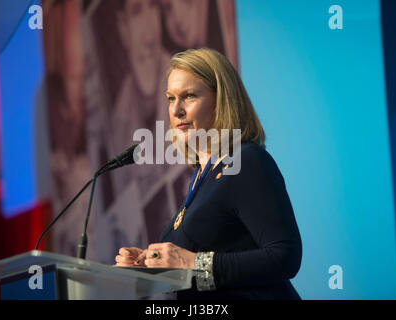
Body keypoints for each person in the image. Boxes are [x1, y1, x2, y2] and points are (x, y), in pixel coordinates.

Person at [115, 48, 302, 300]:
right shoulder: (202, 174)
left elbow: (285, 256)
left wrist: (196, 263)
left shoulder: (246, 161)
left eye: (189, 96)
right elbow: (193, 266)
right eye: (171, 98)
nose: (176, 110)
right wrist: (149, 263)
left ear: (221, 99)